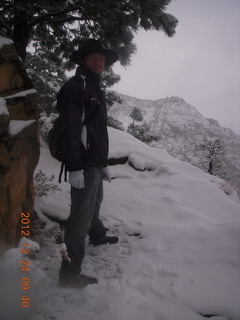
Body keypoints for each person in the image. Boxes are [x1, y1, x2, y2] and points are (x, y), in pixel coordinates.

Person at [57, 39, 119, 288]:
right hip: (82, 163)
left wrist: (103, 162)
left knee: (95, 206)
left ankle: (97, 237)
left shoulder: (95, 86)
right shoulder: (76, 86)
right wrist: (73, 166)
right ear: (82, 60)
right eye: (94, 58)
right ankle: (69, 274)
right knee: (79, 219)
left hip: (94, 161)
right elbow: (71, 130)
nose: (99, 62)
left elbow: (96, 131)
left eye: (102, 59)